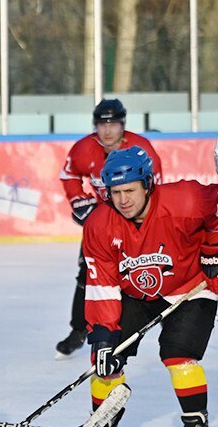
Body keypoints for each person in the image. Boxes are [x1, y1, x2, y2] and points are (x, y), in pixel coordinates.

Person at [62, 146, 218, 427]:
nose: (123, 199)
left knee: (178, 355)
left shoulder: (186, 199)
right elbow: (102, 284)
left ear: (148, 184)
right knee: (106, 356)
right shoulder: (99, 224)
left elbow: (216, 208)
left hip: (191, 288)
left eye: (130, 190)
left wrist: (212, 251)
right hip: (135, 294)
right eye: (115, 192)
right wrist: (103, 335)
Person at [56, 98, 162, 359]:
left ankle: (166, 312)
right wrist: (79, 200)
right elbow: (69, 176)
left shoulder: (141, 147)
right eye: (102, 124)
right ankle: (79, 330)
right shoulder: (83, 149)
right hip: (103, 223)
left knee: (153, 263)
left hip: (137, 220)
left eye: (113, 123)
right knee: (88, 274)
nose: (107, 130)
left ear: (123, 125)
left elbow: (156, 188)